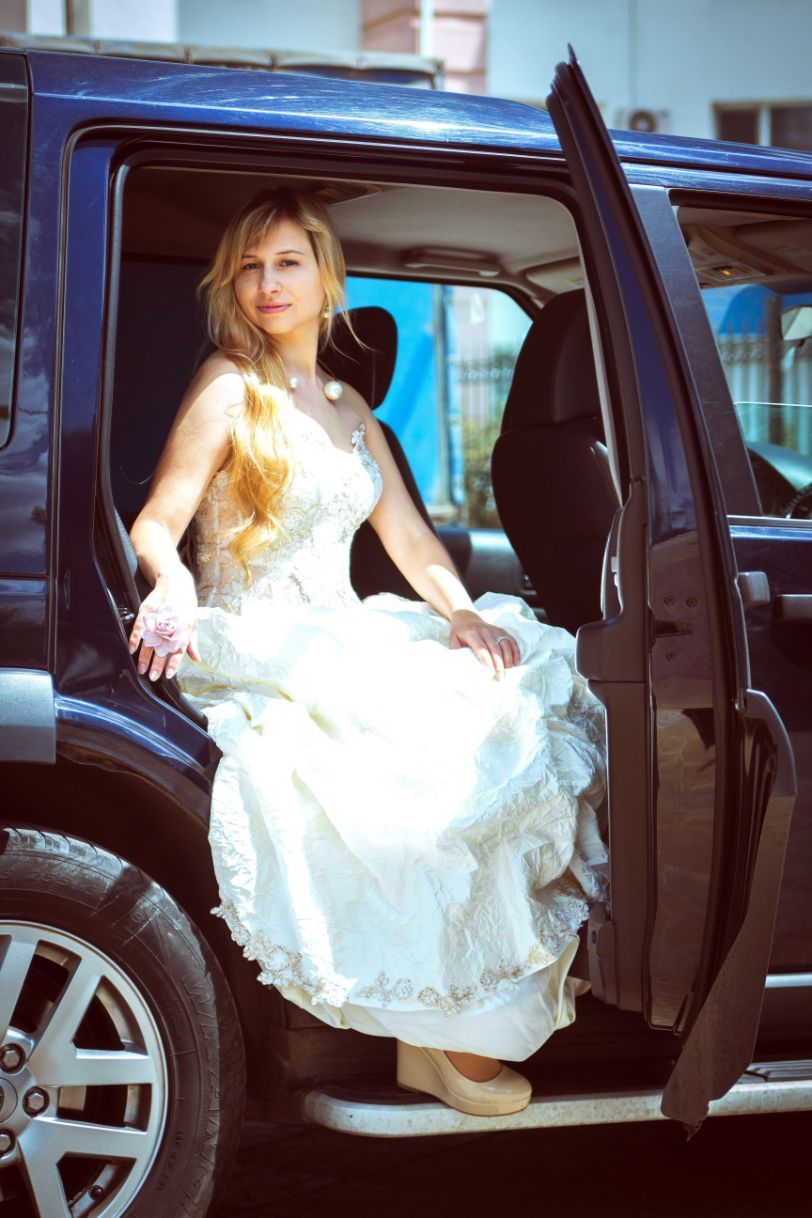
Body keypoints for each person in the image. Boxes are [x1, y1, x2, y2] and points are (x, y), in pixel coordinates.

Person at [128, 188, 609, 1118]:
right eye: (251, 266)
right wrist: (172, 581)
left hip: (346, 630)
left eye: (288, 263)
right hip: (262, 637)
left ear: (327, 276)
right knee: (393, 786)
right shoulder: (232, 383)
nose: (268, 283)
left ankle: (443, 1036)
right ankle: (436, 1034)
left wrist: (464, 612)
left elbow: (413, 544)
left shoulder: (354, 410)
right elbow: (158, 523)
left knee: (514, 699)